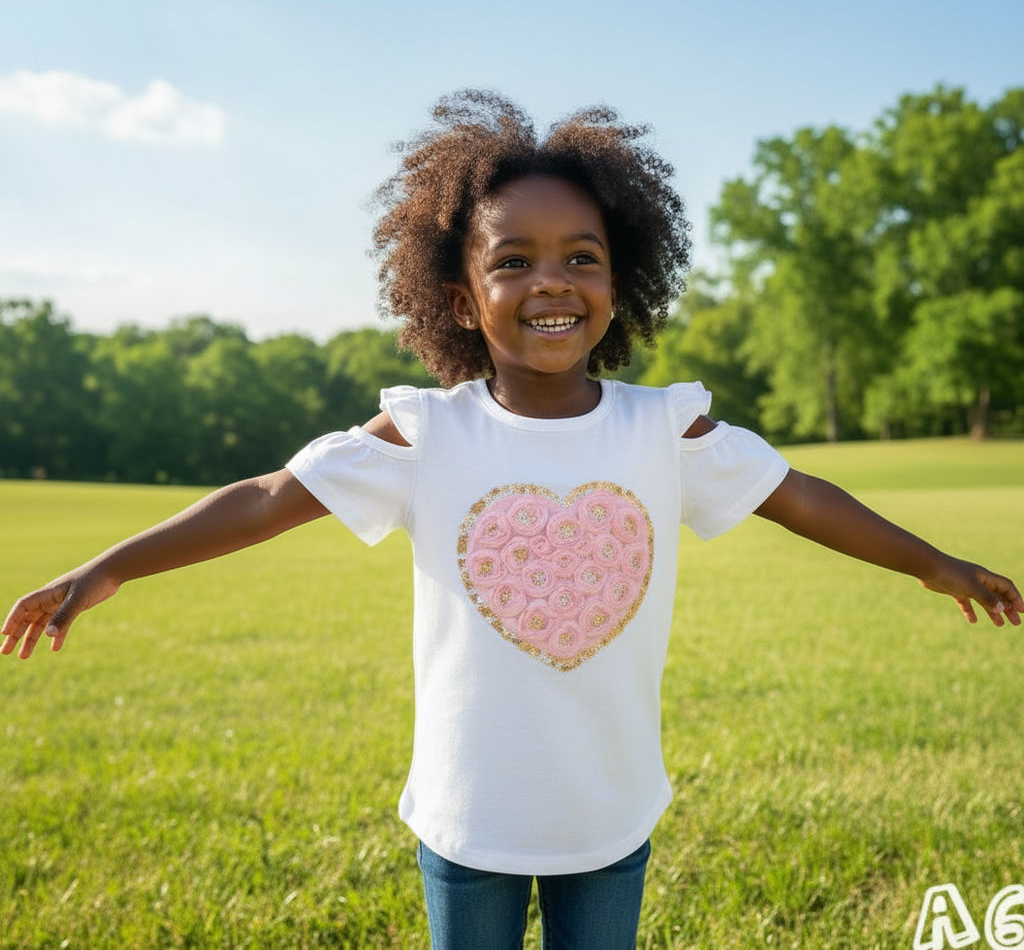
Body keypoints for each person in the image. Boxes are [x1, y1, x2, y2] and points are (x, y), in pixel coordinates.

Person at [3, 90, 1021, 950]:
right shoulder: (423, 432)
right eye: (512, 260)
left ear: (619, 282)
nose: (551, 282)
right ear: (457, 297)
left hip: (608, 805)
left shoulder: (664, 423)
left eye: (582, 257)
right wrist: (111, 566)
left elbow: (796, 493)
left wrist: (933, 564)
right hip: (466, 811)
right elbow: (271, 495)